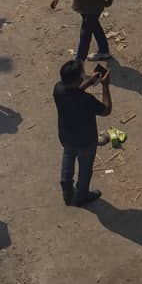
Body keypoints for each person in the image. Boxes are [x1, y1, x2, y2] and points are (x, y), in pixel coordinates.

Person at [52, 60, 111, 207]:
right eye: (82, 75)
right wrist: (105, 86)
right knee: (85, 170)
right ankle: (82, 195)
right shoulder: (86, 100)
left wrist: (90, 82)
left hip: (66, 137)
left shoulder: (58, 89)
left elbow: (73, 91)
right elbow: (106, 110)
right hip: (86, 141)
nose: (84, 77)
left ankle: (67, 190)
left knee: (68, 158)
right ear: (77, 80)